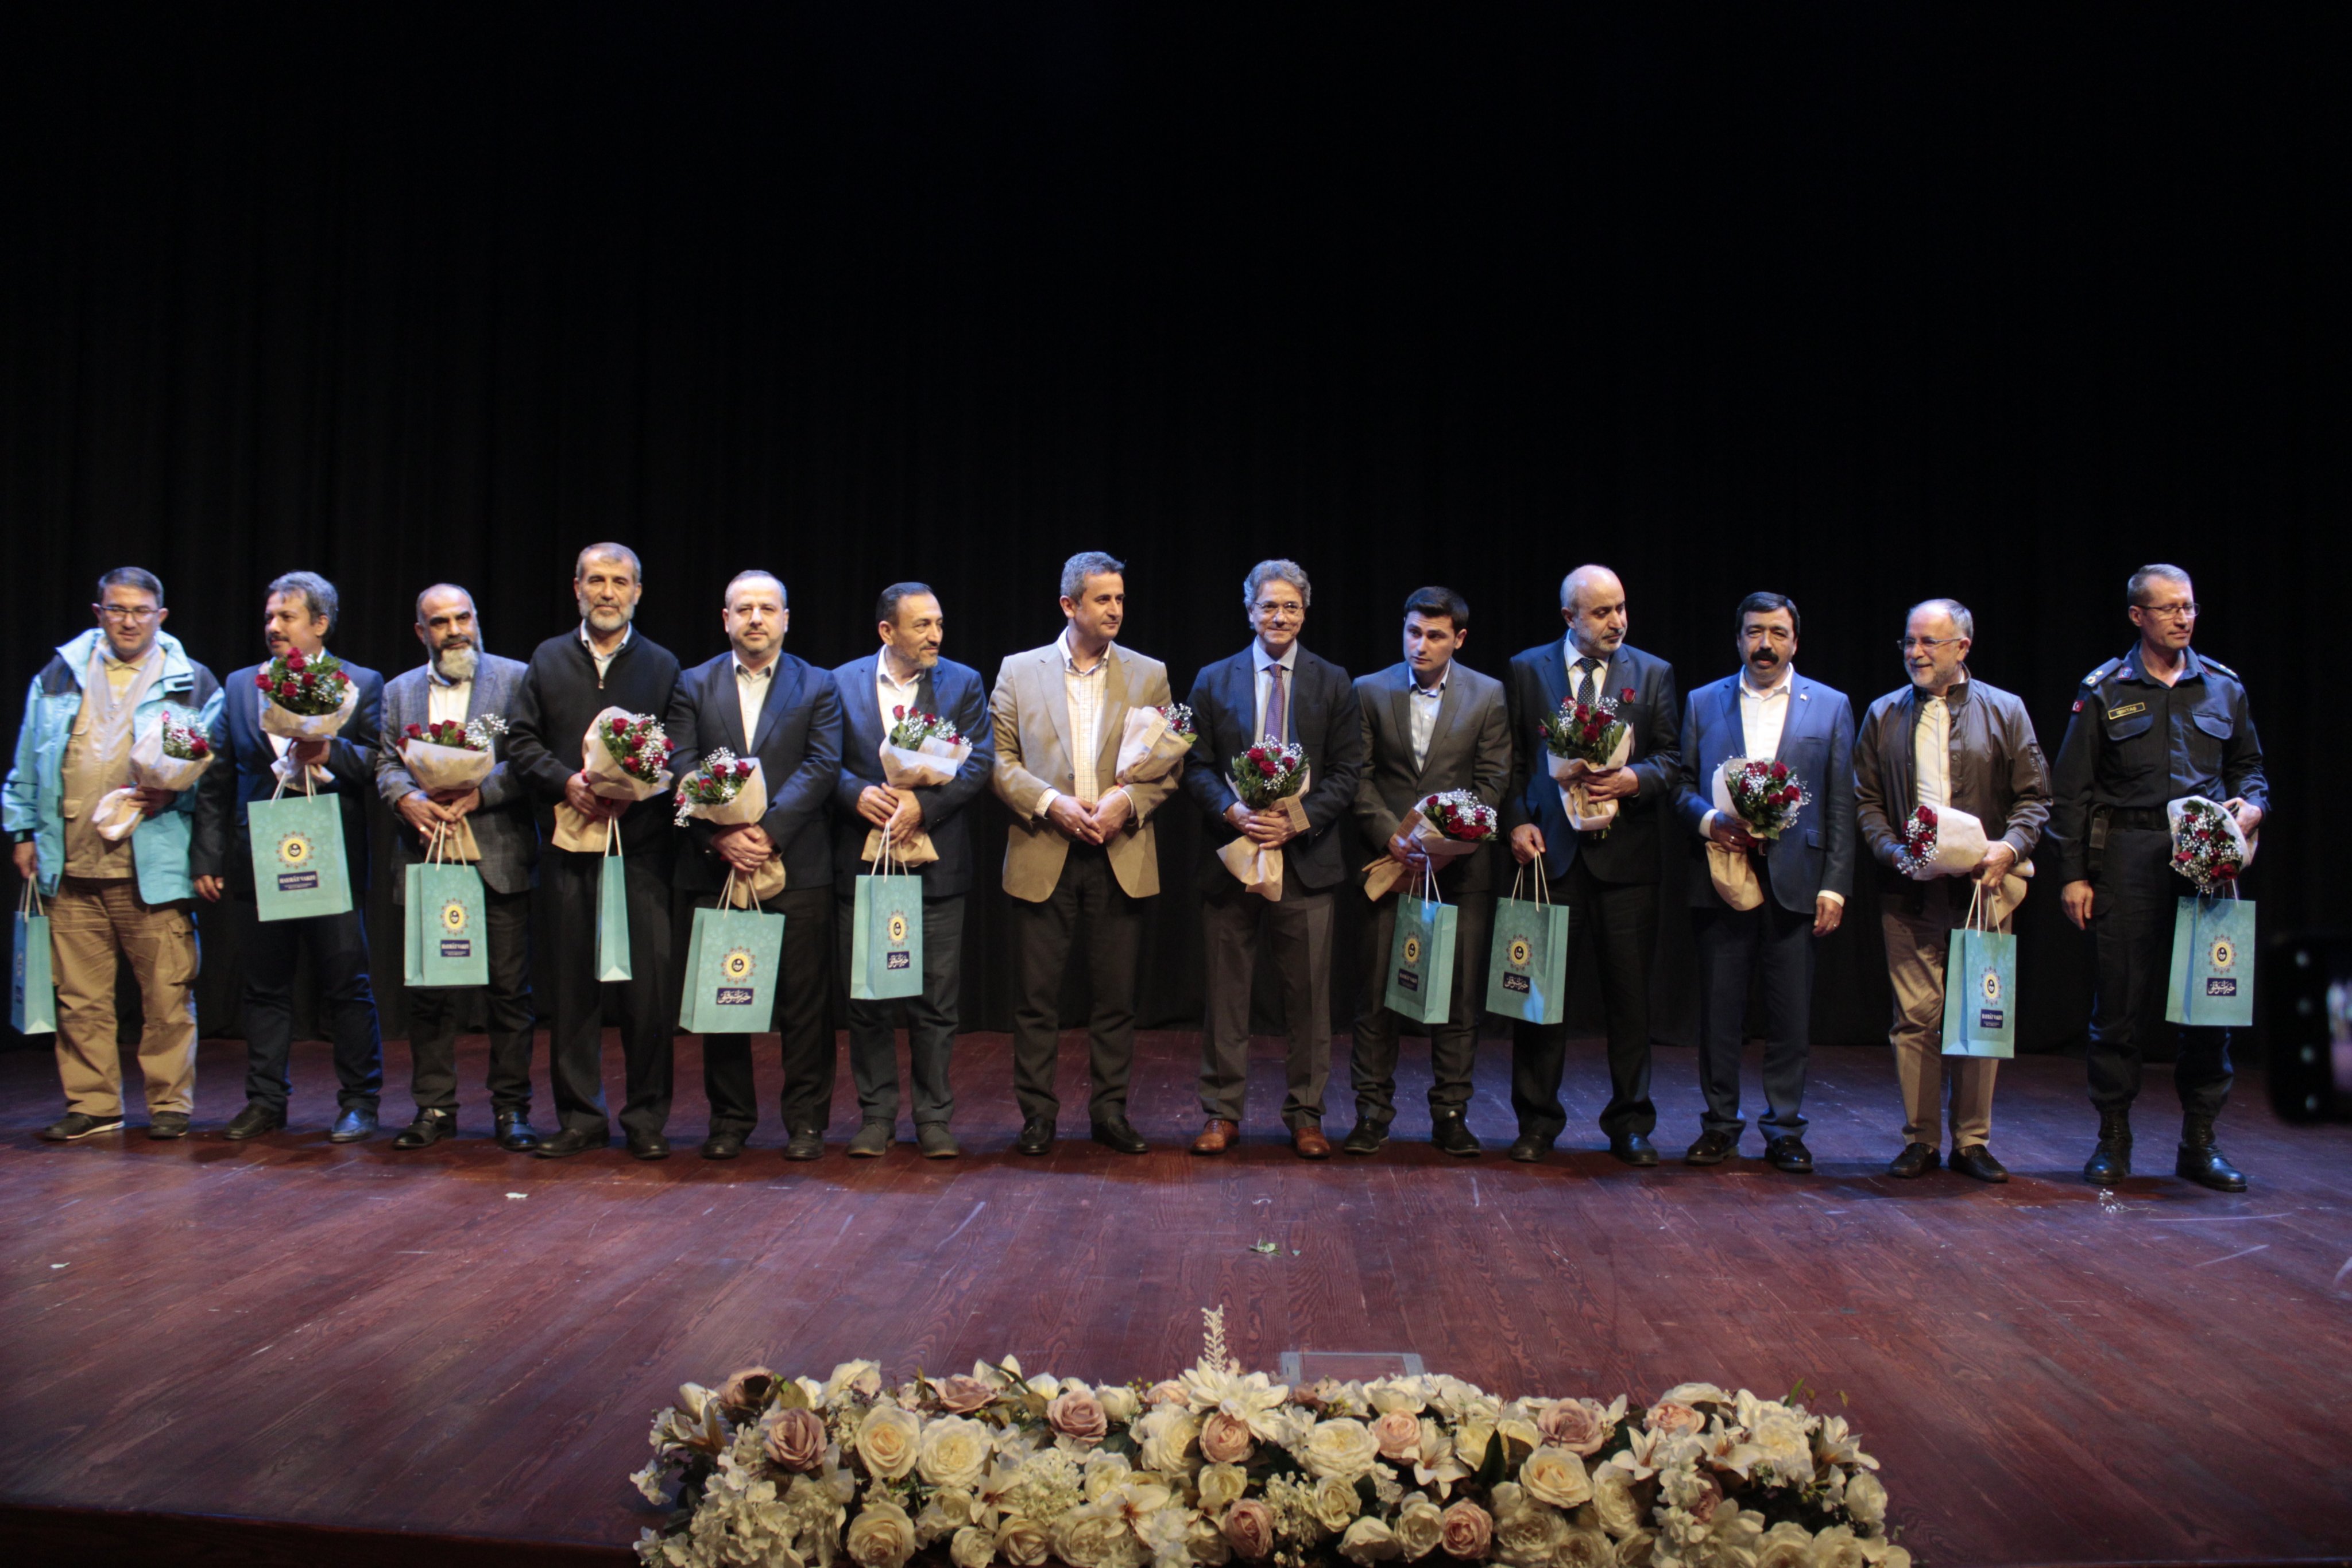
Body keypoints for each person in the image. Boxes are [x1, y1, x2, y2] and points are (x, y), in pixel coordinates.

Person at [2049, 564, 2269, 1191]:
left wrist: (2253, 807)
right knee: (2119, 1006)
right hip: (2129, 855)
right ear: (2137, 616)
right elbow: (2072, 791)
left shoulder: (2223, 686)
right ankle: (2113, 1138)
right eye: (2169, 608)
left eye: (2189, 606)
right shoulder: (2104, 690)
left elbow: (2250, 768)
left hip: (2206, 857)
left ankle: (2199, 1142)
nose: (2183, 618)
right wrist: (2074, 875)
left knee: (2209, 1007)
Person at [7, 568, 222, 1141]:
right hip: (70, 862)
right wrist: (22, 832)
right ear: (98, 612)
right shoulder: (58, 674)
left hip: (150, 866)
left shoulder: (191, 680)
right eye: (117, 609)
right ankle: (93, 1103)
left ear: (161, 616)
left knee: (167, 995)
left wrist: (176, 793)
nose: (129, 621)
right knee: (79, 997)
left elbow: (214, 776)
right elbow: (28, 759)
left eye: (141, 611)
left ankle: (170, 1103)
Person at [1854, 598, 2050, 1182]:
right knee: (1915, 1017)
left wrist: (2008, 849)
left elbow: (2035, 798)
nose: (1914, 653)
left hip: (1984, 890)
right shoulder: (1883, 713)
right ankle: (1920, 1139)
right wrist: (1894, 853)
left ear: (1962, 647)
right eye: (1908, 641)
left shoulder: (2005, 709)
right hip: (1909, 891)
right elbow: (1865, 800)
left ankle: (1972, 1141)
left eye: (1928, 643)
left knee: (1979, 1014)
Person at [989, 552, 1178, 1156]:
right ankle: (1037, 1116)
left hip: (1118, 852)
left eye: (1120, 598)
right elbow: (998, 761)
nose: (1116, 609)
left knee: (1115, 998)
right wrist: (1051, 803)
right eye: (1103, 599)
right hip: (1044, 848)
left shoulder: (1149, 673)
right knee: (1036, 998)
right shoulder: (1019, 670)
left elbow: (1168, 766)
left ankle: (1110, 1112)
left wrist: (1127, 802)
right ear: (1069, 605)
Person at [191, 571, 386, 1141]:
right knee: (265, 986)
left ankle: (360, 1102)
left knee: (346, 983)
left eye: (287, 616)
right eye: (270, 617)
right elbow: (217, 779)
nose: (273, 626)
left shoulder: (360, 682)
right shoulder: (239, 686)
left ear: (320, 623)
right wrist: (208, 856)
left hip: (331, 854)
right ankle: (265, 1101)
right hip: (261, 853)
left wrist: (331, 750)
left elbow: (380, 762)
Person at [504, 544, 683, 1160]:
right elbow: (520, 741)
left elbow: (680, 745)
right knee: (572, 990)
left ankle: (647, 1118)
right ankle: (580, 1117)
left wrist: (638, 790)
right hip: (569, 850)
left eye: (621, 581)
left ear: (638, 592)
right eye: (597, 580)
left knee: (647, 996)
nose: (609, 592)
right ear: (577, 588)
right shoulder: (548, 658)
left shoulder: (662, 664)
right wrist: (567, 782)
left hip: (641, 852)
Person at [1182, 558, 1365, 1159]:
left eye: (1290, 606)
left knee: (1309, 998)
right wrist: (1231, 812)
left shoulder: (1333, 680)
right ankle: (1221, 1113)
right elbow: (1194, 765)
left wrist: (1297, 819)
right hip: (1232, 858)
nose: (1279, 616)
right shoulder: (1214, 678)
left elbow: (1348, 771)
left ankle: (1306, 1115)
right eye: (1269, 606)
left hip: (1305, 859)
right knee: (1226, 994)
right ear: (1249, 611)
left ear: (1304, 613)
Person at [1500, 564, 1681, 1164]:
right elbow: (1511, 760)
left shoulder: (1652, 673)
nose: (1617, 621)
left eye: (1621, 608)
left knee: (1629, 1002)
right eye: (1602, 612)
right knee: (1538, 999)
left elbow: (1672, 759)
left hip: (1626, 864)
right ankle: (1536, 1121)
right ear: (1568, 617)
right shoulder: (1528, 669)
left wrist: (1635, 778)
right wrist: (1516, 820)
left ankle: (1630, 1123)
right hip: (1549, 858)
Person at [1672, 592, 1855, 1174]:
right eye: (1754, 632)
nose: (1765, 644)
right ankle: (1719, 1125)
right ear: (1738, 639)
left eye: (1777, 632)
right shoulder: (1703, 701)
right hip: (1722, 876)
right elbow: (1679, 785)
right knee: (1719, 1013)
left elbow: (1841, 803)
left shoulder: (1830, 705)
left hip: (1797, 880)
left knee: (1789, 1016)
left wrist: (1834, 886)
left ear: (1794, 641)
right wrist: (1710, 820)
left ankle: (1784, 1129)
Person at [668, 570, 841, 1161]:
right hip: (717, 865)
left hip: (797, 863)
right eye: (744, 608)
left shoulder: (817, 683)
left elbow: (822, 765)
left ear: (786, 618)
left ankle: (807, 1123)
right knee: (725, 998)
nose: (756, 618)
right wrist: (721, 836)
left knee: (805, 1005)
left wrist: (766, 833)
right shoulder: (692, 683)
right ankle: (729, 1120)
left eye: (768, 608)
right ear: (726, 619)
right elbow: (681, 764)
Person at [1343, 586, 1510, 1157]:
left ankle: (1451, 1114)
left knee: (1458, 999)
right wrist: (1393, 837)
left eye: (1435, 635)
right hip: (1391, 864)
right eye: (1413, 632)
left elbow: (1492, 782)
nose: (1421, 644)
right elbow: (1358, 776)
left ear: (1458, 639)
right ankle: (1371, 1113)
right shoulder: (1369, 689)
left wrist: (1447, 844)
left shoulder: (1487, 694)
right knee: (1375, 996)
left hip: (1460, 871)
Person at [376, 583, 541, 1152]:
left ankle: (512, 1108)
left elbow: (528, 758)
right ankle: (434, 1106)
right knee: (431, 993)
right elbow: (386, 761)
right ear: (421, 632)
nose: (454, 631)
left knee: (508, 992)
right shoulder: (398, 691)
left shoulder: (515, 679)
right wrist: (407, 798)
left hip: (497, 854)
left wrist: (480, 793)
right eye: (440, 622)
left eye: (462, 618)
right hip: (427, 851)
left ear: (476, 620)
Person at [831, 581, 991, 1159]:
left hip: (936, 864)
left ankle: (934, 1117)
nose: (935, 635)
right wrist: (856, 793)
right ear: (887, 631)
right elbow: (823, 759)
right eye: (922, 625)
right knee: (869, 999)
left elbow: (980, 761)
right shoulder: (840, 682)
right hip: (865, 862)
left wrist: (924, 805)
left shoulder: (963, 682)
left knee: (936, 1001)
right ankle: (877, 1116)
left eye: (939, 624)